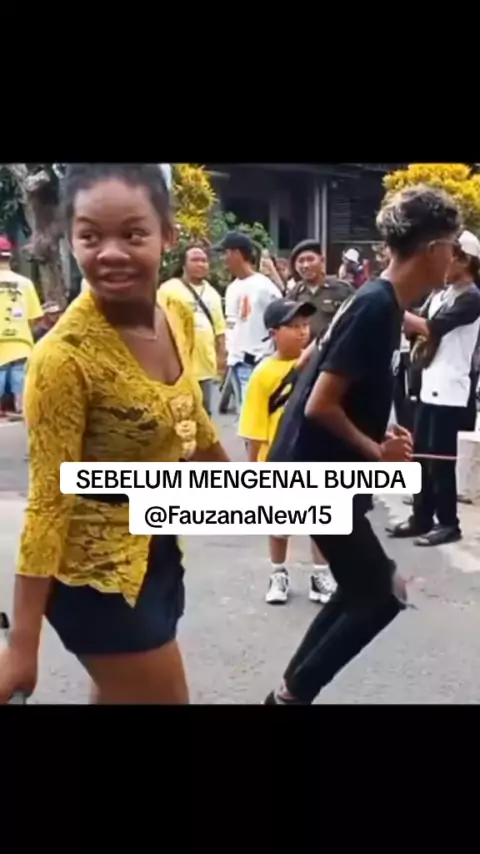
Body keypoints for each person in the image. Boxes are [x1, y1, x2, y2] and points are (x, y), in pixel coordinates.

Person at [0, 163, 229, 706]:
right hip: (94, 581)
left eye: (132, 234)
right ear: (70, 239)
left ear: (167, 234)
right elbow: (48, 504)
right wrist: (23, 647)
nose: (110, 253)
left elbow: (193, 422)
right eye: (90, 237)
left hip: (156, 552)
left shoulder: (173, 312)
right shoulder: (64, 358)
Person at [264, 184, 461, 705]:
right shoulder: (375, 305)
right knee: (380, 594)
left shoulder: (383, 302)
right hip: (310, 476)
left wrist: (379, 433)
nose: (455, 257)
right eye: (452, 245)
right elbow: (320, 404)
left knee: (365, 590)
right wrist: (376, 452)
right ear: (432, 249)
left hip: (318, 473)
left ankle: (287, 695)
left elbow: (333, 383)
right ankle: (288, 698)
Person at [238, 298, 336, 605]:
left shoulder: (319, 367)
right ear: (274, 333)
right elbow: (253, 429)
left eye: (305, 325)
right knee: (279, 524)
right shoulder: (263, 374)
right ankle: (278, 572)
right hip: (278, 461)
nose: (302, 331)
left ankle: (320, 575)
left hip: (314, 456)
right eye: (293, 326)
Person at [388, 229, 480, 547]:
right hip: (425, 382)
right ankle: (421, 516)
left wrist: (394, 307)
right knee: (420, 455)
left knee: (440, 459)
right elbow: (418, 329)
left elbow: (432, 327)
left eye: (448, 255)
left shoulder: (472, 298)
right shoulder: (440, 295)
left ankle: (448, 522)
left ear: (465, 261)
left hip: (449, 388)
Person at [160, 244, 227, 415]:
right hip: (177, 366)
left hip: (205, 365)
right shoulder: (168, 289)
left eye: (204, 260)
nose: (201, 264)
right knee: (178, 413)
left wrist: (221, 358)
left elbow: (219, 330)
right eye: (195, 260)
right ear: (183, 264)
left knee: (204, 412)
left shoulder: (212, 294)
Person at [220, 231, 280, 403]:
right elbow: (232, 323)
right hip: (236, 362)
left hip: (258, 361)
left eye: (226, 253)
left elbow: (280, 321)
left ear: (236, 254)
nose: (223, 259)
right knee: (244, 415)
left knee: (255, 413)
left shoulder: (265, 287)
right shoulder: (232, 288)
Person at [0, 236, 44, 418]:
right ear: (10, 257)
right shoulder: (25, 283)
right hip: (21, 341)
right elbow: (34, 317)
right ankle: (21, 408)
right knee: (20, 375)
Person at [289, 239, 354, 343]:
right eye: (300, 261)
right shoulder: (294, 293)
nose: (306, 265)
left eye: (310, 259)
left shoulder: (342, 289)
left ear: (322, 261)